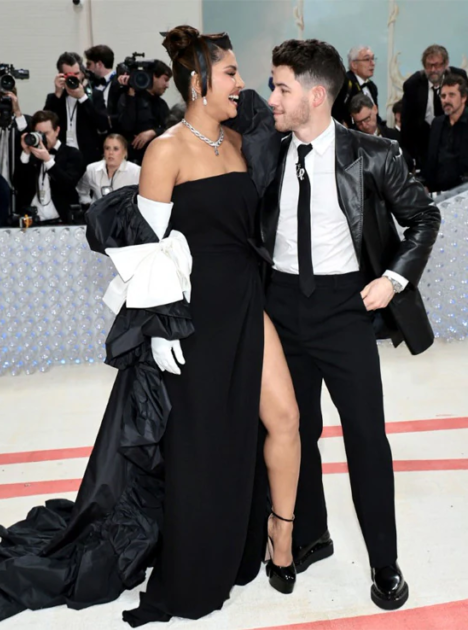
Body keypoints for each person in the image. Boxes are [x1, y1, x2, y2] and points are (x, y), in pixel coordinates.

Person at [0, 26, 302, 627]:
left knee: (282, 418)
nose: (241, 85)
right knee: (197, 448)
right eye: (230, 74)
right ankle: (196, 568)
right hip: (190, 320)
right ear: (199, 83)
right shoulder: (166, 152)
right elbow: (146, 250)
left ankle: (271, 541)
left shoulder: (240, 141)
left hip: (247, 306)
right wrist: (161, 327)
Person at [264, 38, 440, 612]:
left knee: (366, 437)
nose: (272, 98)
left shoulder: (374, 152)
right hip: (280, 308)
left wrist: (393, 279)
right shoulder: (267, 151)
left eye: (282, 87)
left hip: (345, 308)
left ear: (315, 95)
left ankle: (384, 563)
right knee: (296, 432)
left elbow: (423, 216)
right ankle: (310, 533)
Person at [400, 44, 468, 172]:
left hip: (455, 138)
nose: (433, 69)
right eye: (429, 65)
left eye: (437, 65)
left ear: (446, 64)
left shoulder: (459, 77)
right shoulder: (412, 85)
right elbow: (407, 126)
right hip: (424, 145)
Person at [12, 110, 85, 224]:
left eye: (46, 134)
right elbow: (17, 184)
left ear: (57, 131)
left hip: (62, 221)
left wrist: (48, 160)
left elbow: (68, 184)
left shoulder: (72, 154)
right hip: (32, 221)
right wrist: (25, 154)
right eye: (38, 133)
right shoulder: (31, 154)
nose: (42, 138)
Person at [44, 52, 110, 166]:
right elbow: (45, 124)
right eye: (68, 74)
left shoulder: (94, 96)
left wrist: (83, 98)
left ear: (83, 74)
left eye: (76, 73)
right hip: (62, 158)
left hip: (88, 158)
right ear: (60, 75)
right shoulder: (54, 98)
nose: (74, 78)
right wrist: (57, 94)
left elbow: (103, 125)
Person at [114, 60, 173, 165]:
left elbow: (171, 129)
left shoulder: (162, 104)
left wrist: (152, 132)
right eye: (165, 80)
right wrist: (130, 94)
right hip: (131, 162)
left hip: (157, 159)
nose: (167, 85)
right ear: (153, 77)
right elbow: (126, 127)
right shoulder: (127, 97)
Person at [423, 73, 468, 193]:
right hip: (438, 193)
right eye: (443, 96)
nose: (446, 100)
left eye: (451, 95)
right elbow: (431, 159)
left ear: (463, 98)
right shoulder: (437, 123)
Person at [77, 133, 140, 204]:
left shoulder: (136, 171)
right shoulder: (92, 169)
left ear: (124, 152)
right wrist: (89, 206)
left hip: (124, 214)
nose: (110, 152)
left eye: (115, 149)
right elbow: (82, 191)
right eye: (107, 148)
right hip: (98, 214)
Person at [332, 45, 379, 127]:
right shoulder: (344, 83)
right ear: (354, 64)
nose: (372, 63)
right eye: (367, 59)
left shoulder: (372, 86)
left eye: (373, 59)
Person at [84, 44, 117, 114]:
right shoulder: (90, 85)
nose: (87, 68)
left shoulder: (119, 83)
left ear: (99, 64)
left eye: (89, 64)